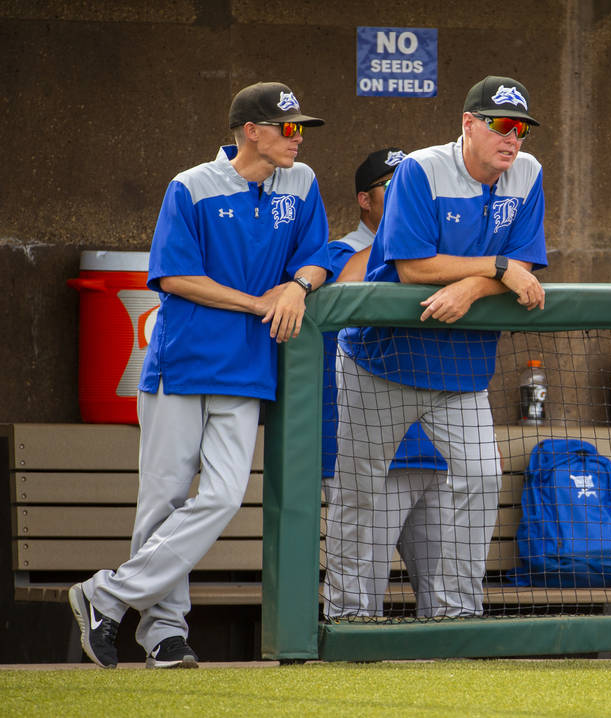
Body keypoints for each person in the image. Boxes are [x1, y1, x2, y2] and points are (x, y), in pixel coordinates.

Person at [68, 82, 330, 668]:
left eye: (300, 129)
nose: (298, 139)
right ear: (252, 131)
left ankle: (105, 596)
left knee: (222, 496)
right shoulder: (190, 185)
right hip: (181, 363)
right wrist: (260, 303)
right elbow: (175, 276)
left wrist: (298, 285)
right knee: (161, 501)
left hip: (248, 368)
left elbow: (318, 253)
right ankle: (164, 634)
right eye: (288, 129)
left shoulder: (303, 182)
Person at [323, 75, 547, 621]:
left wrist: (476, 284)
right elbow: (412, 266)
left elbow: (528, 265)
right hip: (383, 360)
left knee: (482, 476)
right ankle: (348, 616)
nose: (512, 139)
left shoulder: (529, 173)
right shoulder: (421, 169)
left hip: (461, 368)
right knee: (357, 491)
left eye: (520, 128)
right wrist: (496, 268)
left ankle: (455, 615)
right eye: (500, 125)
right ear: (468, 124)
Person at [321, 147, 453, 618]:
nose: (402, 196)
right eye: (389, 188)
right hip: (372, 454)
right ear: (364, 199)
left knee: (449, 602)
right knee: (360, 604)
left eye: (409, 188)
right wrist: (402, 242)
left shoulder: (437, 254)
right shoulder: (339, 251)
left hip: (436, 452)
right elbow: (343, 290)